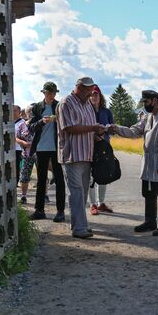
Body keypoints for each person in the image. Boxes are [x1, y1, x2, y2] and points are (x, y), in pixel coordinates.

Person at [112, 90, 158, 236]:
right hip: (147, 162)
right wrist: (116, 128)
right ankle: (150, 222)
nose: (144, 105)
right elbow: (134, 131)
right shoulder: (147, 118)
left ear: (154, 100)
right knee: (148, 192)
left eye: (146, 102)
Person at [56, 77, 106, 239]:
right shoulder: (66, 103)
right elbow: (68, 127)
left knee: (83, 193)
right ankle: (79, 228)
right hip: (72, 155)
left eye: (92, 90)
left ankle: (78, 224)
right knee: (76, 192)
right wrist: (92, 128)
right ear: (79, 87)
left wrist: (97, 134)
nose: (90, 93)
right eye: (88, 90)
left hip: (86, 154)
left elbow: (89, 128)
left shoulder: (87, 104)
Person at [29, 82, 66, 222]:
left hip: (57, 149)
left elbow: (66, 124)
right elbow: (31, 128)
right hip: (41, 149)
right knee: (41, 180)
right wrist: (41, 122)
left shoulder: (59, 106)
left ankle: (60, 211)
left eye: (54, 93)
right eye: (49, 93)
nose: (52, 95)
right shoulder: (37, 107)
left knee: (59, 180)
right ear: (43, 93)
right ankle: (39, 210)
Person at [88, 85, 114, 215]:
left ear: (100, 96)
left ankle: (101, 203)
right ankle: (92, 204)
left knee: (103, 174)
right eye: (92, 94)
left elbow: (112, 129)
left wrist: (107, 130)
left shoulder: (106, 111)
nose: (94, 96)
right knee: (90, 176)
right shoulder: (86, 110)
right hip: (89, 146)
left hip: (104, 146)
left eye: (96, 94)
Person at [16, 103, 36, 204]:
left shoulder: (42, 123)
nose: (31, 114)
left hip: (40, 153)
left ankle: (44, 195)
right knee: (24, 176)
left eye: (33, 111)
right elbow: (16, 137)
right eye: (29, 112)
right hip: (27, 154)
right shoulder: (22, 125)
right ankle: (23, 196)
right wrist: (22, 143)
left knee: (43, 175)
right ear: (26, 113)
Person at [13, 105, 25, 185]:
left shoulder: (22, 123)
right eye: (12, 110)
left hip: (18, 149)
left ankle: (16, 184)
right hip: (9, 149)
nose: (13, 112)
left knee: (16, 168)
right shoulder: (8, 122)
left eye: (15, 110)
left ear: (19, 113)